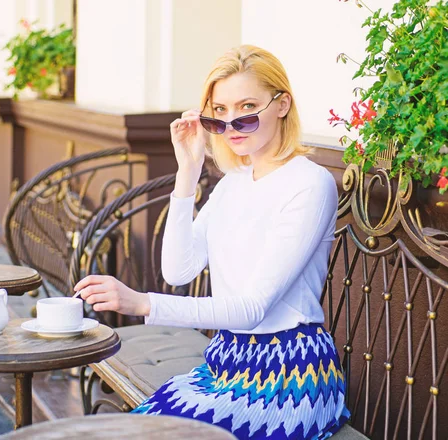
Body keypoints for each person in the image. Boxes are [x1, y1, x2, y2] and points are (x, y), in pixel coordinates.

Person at [73, 45, 350, 440]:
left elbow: (252, 309)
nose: (233, 123)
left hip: (290, 373)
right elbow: (178, 270)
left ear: (282, 104)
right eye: (219, 111)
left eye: (247, 107)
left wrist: (141, 303)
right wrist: (188, 170)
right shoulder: (233, 183)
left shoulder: (309, 184)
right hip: (227, 364)